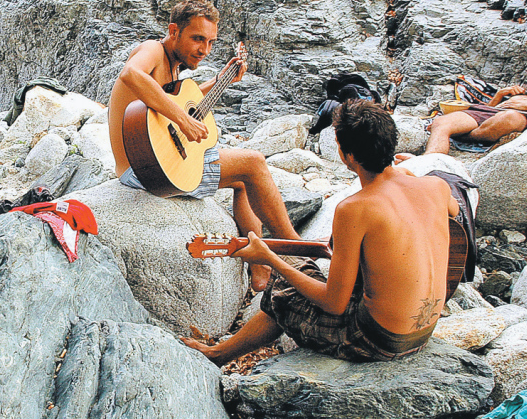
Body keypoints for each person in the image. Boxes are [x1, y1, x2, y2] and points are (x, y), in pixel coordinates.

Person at [182, 100, 460, 364]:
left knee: (283, 291)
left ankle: (218, 354)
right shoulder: (435, 186)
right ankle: (220, 352)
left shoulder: (355, 209)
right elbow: (453, 212)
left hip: (376, 340)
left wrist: (269, 259)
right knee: (303, 275)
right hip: (424, 332)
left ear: (347, 156)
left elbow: (334, 303)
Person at [108, 0, 301, 291]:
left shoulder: (174, 67)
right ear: (174, 31)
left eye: (210, 42)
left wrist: (222, 79)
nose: (205, 50)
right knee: (253, 162)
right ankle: (297, 248)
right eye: (198, 39)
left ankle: (260, 269)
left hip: (155, 161)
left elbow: (184, 98)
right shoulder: (153, 50)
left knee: (241, 182)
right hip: (143, 170)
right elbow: (131, 73)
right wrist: (183, 121)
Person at [414, 67, 527, 156]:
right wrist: (500, 95)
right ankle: (429, 160)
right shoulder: (521, 94)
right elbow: (488, 109)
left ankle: (460, 135)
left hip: (519, 118)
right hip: (490, 113)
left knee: (511, 116)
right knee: (441, 123)